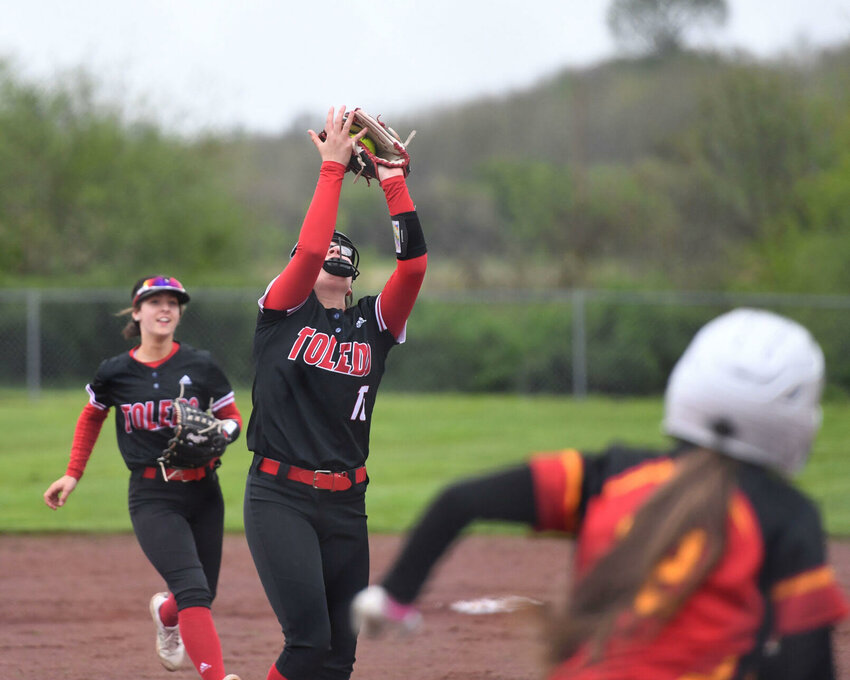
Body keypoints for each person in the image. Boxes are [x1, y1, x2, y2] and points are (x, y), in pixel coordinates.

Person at [352, 308, 849, 679]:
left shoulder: (612, 474)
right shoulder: (788, 517)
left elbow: (460, 502)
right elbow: (807, 664)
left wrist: (394, 596)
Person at [242, 105, 428, 680]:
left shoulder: (374, 324)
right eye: (328, 260)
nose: (333, 268)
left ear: (352, 278)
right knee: (307, 644)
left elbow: (414, 268)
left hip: (348, 504)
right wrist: (331, 169)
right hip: (280, 496)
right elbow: (306, 253)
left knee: (339, 660)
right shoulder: (282, 313)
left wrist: (394, 182)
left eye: (343, 265)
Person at [43, 275, 244, 680]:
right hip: (153, 494)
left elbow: (233, 419)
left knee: (201, 593)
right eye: (154, 302)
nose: (165, 309)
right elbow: (92, 417)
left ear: (180, 313)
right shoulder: (115, 372)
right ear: (137, 313)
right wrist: (72, 473)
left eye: (173, 302)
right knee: (194, 590)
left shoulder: (200, 365)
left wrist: (223, 432)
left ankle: (166, 615)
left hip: (205, 490)